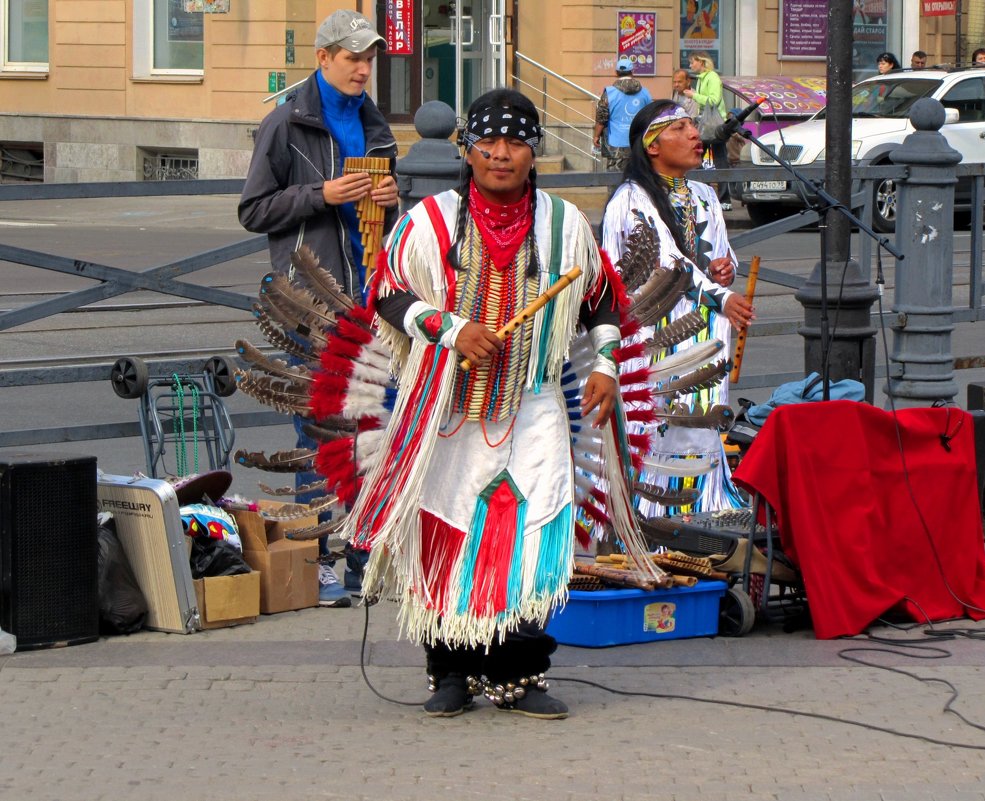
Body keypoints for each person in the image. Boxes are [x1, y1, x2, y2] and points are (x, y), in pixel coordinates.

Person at [338, 88, 639, 720]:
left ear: (534, 152)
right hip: (447, 408)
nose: (501, 155)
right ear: (467, 150)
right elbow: (387, 292)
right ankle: (449, 670)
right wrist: (447, 328)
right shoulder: (432, 221)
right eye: (488, 143)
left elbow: (601, 300)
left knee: (530, 536)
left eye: (516, 142)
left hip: (531, 404)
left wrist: (607, 365)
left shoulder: (562, 225)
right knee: (450, 529)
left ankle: (518, 672)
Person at [238, 9, 399, 607]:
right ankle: (316, 556)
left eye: (369, 59)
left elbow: (393, 209)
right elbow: (254, 209)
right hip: (311, 301)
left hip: (372, 297)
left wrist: (391, 197)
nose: (363, 69)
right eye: (352, 58)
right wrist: (322, 195)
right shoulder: (285, 124)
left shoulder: (377, 124)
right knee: (316, 427)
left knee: (370, 425)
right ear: (323, 57)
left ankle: (364, 550)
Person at [601, 100, 754, 514]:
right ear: (652, 145)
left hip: (701, 329)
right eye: (681, 128)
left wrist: (725, 269)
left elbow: (720, 253)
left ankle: (701, 506)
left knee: (699, 420)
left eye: (693, 126)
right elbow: (663, 263)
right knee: (658, 422)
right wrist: (721, 296)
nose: (695, 136)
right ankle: (653, 517)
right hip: (655, 331)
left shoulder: (703, 193)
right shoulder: (630, 200)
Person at [682, 52, 731, 210]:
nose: (690, 66)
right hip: (705, 122)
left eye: (692, 62)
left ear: (701, 63)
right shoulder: (702, 78)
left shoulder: (712, 78)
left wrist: (695, 95)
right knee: (698, 158)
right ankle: (703, 194)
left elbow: (713, 100)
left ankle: (724, 199)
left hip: (714, 124)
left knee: (719, 160)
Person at [593, 56, 653, 172]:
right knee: (638, 178)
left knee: (615, 180)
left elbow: (601, 118)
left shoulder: (609, 93)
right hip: (638, 143)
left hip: (615, 144)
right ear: (633, 72)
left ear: (616, 73)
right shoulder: (645, 93)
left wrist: (596, 136)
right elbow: (652, 115)